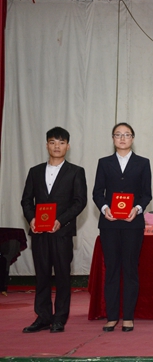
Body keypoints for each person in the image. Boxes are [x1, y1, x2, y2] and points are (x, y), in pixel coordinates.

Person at [20, 127, 87, 333]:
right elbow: (26, 200)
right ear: (46, 145)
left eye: (61, 142)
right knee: (41, 276)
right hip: (39, 233)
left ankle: (59, 318)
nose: (57, 146)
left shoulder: (76, 171)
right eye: (52, 142)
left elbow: (79, 201)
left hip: (62, 233)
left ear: (68, 146)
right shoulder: (35, 171)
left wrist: (60, 220)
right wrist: (31, 219)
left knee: (62, 276)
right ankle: (42, 317)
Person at [92, 123, 152, 332]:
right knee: (112, 270)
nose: (122, 138)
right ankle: (111, 316)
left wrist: (137, 209)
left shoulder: (143, 163)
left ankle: (128, 316)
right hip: (109, 224)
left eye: (127, 135)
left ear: (133, 138)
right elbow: (97, 192)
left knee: (130, 269)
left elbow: (146, 194)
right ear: (113, 139)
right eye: (118, 135)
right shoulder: (104, 163)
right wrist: (105, 208)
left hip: (132, 224)